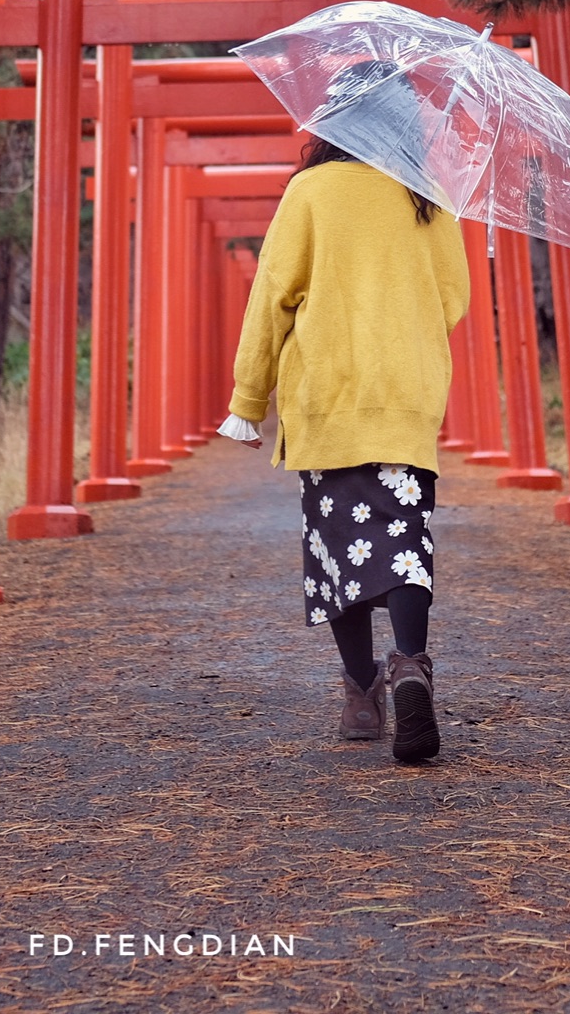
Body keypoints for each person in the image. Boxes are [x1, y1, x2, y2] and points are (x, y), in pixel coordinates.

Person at [222, 135, 470, 762]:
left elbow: (271, 298)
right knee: (406, 541)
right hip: (405, 395)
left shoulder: (309, 192)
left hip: (328, 397)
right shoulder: (427, 194)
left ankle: (361, 694)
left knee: (340, 549)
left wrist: (248, 400)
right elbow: (453, 300)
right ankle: (410, 664)